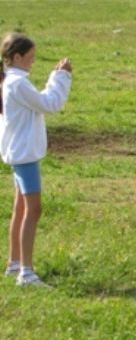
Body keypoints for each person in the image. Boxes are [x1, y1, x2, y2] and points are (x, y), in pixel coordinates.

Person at [1, 33, 72, 288]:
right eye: (30, 57)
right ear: (16, 57)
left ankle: (15, 263)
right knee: (33, 209)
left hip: (18, 153)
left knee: (21, 207)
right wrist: (61, 77)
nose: (33, 62)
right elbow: (49, 104)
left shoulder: (10, 81)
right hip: (25, 155)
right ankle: (27, 273)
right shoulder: (18, 83)